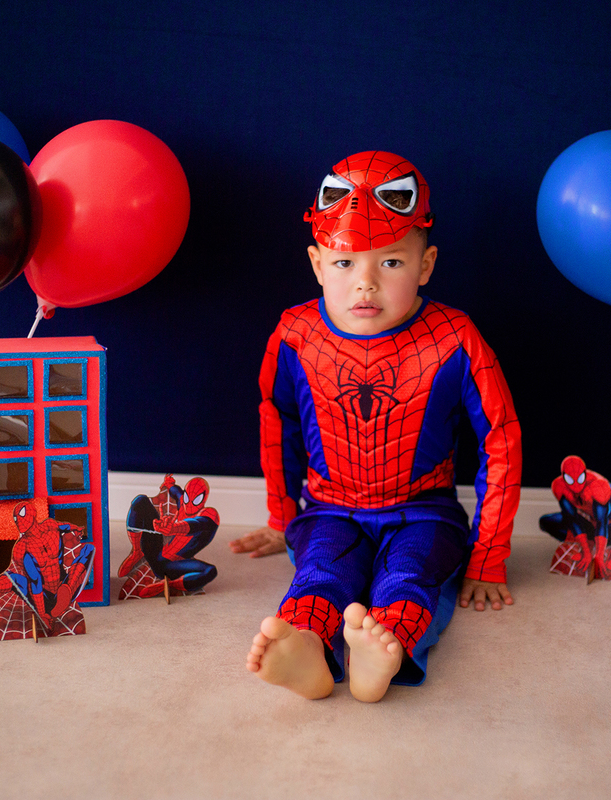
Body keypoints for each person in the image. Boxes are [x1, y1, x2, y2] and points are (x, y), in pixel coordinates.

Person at [232, 151, 522, 702]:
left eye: (390, 263)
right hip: (327, 508)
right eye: (345, 264)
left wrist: (488, 555)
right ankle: (309, 648)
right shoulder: (294, 334)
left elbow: (499, 438)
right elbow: (279, 423)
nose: (365, 284)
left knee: (409, 576)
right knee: (319, 572)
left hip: (425, 510)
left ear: (426, 266)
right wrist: (281, 516)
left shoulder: (455, 337)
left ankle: (381, 654)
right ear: (318, 265)